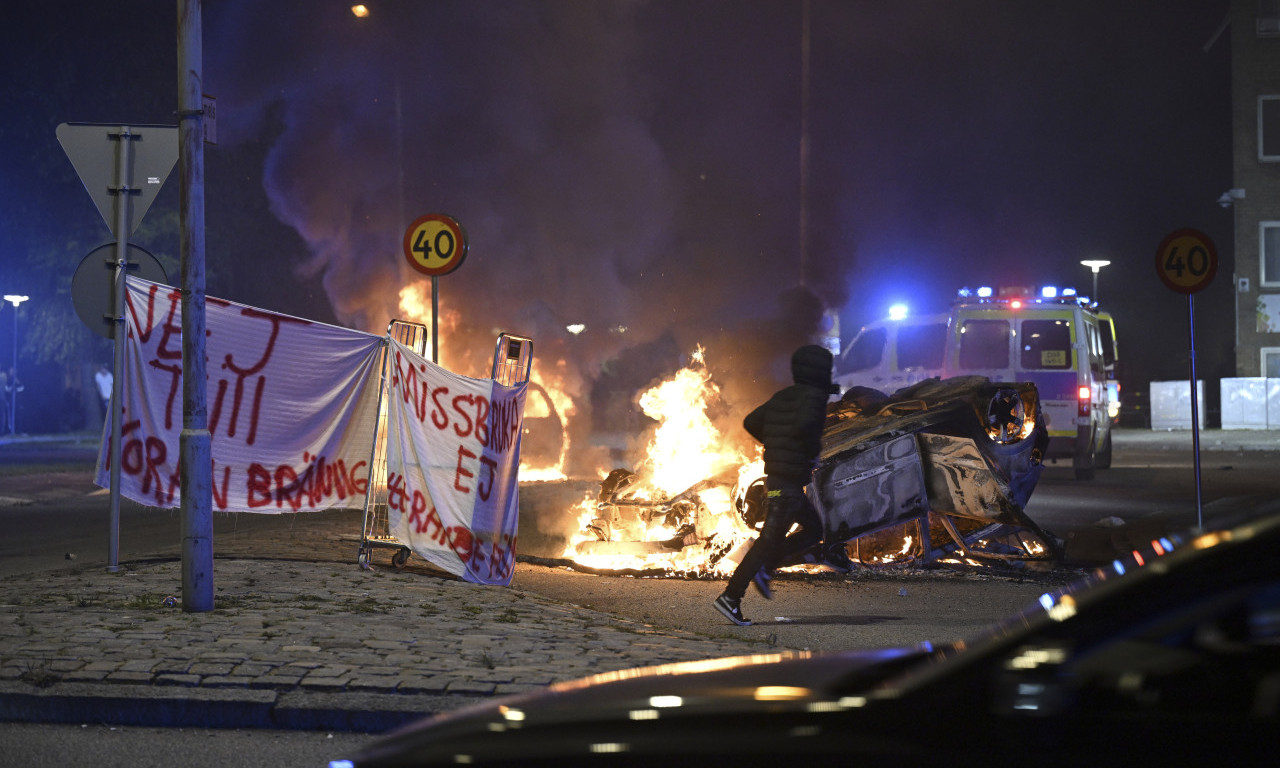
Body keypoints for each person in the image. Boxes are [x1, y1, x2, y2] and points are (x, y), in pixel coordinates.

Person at [713, 344, 839, 626]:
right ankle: (731, 597)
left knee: (814, 530)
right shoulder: (814, 398)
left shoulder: (785, 395)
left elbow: (751, 421)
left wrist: (775, 443)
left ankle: (766, 565)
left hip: (780, 479)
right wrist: (808, 451)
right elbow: (807, 424)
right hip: (788, 483)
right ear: (821, 370)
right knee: (768, 542)